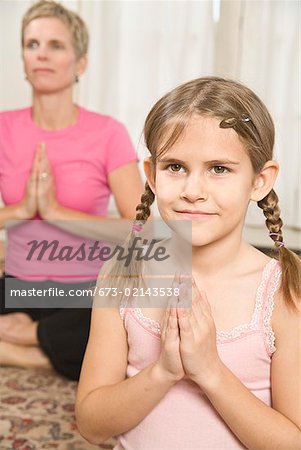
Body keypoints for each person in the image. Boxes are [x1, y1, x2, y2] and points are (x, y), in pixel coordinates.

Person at [75, 77, 301, 449]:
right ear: (151, 174)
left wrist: (210, 370)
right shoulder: (123, 274)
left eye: (219, 169)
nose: (192, 191)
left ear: (260, 181)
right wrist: (163, 372)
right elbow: (91, 423)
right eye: (176, 167)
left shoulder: (283, 293)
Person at [0, 0, 144, 380]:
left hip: (83, 291)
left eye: (56, 45)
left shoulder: (108, 133)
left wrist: (56, 212)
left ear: (80, 64)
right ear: (24, 60)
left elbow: (141, 229)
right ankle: (48, 346)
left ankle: (28, 342)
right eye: (32, 45)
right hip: (20, 287)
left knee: (138, 314)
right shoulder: (3, 129)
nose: (41, 54)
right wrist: (20, 210)